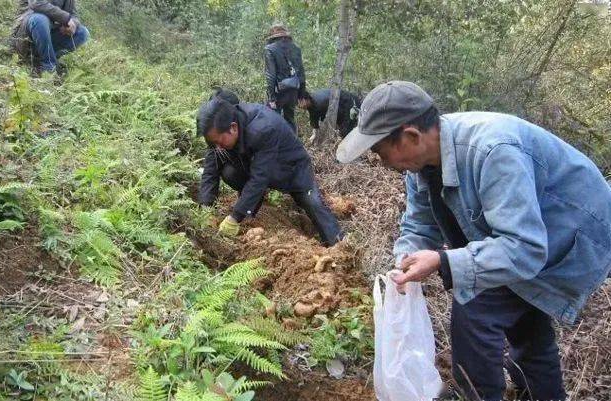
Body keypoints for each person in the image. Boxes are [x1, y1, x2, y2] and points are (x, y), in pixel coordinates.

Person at [336, 81, 611, 401]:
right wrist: (406, 258)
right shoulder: (421, 164)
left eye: (382, 152)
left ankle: (476, 395)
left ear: (411, 136)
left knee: (476, 307)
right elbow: (418, 223)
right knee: (525, 326)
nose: (380, 162)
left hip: (575, 235)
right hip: (524, 236)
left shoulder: (493, 151)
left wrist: (444, 261)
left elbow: (525, 249)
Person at [197, 96, 343, 247]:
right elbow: (210, 169)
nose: (218, 147)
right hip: (257, 165)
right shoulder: (218, 134)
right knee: (229, 172)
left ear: (233, 128)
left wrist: (235, 217)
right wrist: (206, 207)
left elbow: (260, 177)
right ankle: (252, 206)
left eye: (219, 142)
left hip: (292, 167)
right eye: (214, 143)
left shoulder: (262, 128)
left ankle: (337, 243)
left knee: (312, 203)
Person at [11, 0, 90, 75]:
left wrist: (72, 24)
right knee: (40, 20)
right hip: (27, 35)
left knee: (82, 32)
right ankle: (49, 67)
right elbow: (36, 3)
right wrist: (65, 18)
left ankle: (42, 58)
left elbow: (73, 15)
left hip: (50, 32)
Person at [264, 24, 308, 133]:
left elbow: (271, 75)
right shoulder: (296, 48)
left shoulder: (270, 49)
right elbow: (301, 72)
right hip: (293, 90)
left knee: (273, 120)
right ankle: (292, 145)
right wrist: (301, 95)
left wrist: (271, 98)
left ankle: (276, 147)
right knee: (290, 119)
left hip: (279, 91)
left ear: (273, 36)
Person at [298, 88, 363, 140]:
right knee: (342, 130)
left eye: (299, 103)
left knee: (345, 132)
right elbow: (313, 117)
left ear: (304, 100)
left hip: (350, 103)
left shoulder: (320, 103)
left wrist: (342, 128)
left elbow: (339, 115)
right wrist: (314, 134)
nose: (299, 106)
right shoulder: (311, 102)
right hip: (341, 105)